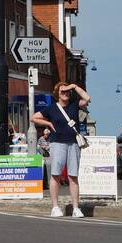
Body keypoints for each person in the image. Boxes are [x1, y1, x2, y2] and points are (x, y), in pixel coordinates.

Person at [32, 82, 90, 218]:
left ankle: (76, 207)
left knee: (73, 176)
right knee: (55, 175)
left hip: (73, 143)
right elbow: (33, 117)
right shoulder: (51, 108)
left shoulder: (74, 105)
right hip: (57, 143)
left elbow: (87, 98)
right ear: (57, 94)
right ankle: (55, 207)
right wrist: (47, 123)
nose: (65, 94)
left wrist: (73, 86)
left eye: (67, 92)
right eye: (62, 91)